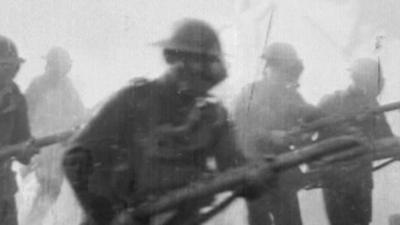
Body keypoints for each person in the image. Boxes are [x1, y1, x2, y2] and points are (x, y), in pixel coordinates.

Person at [62, 18, 246, 225]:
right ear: (175, 59)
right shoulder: (134, 101)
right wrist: (109, 215)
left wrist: (254, 180)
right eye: (198, 61)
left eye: (209, 63)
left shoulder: (213, 115)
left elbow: (235, 166)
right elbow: (75, 158)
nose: (204, 72)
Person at [234, 42, 321, 225]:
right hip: (255, 171)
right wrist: (270, 135)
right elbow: (239, 130)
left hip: (283, 174)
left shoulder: (290, 95)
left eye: (288, 72)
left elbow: (308, 118)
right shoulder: (249, 93)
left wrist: (304, 133)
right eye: (281, 70)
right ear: (268, 68)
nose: (284, 77)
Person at [318, 57, 393, 225]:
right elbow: (314, 142)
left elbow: (387, 138)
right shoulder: (331, 102)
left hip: (359, 180)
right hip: (338, 181)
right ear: (366, 79)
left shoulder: (373, 105)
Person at [23, 47, 86, 225]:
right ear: (51, 65)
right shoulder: (38, 84)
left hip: (60, 147)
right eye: (61, 65)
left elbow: (79, 113)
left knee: (53, 190)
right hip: (41, 145)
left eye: (67, 66)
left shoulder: (67, 85)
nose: (64, 70)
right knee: (46, 188)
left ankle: (32, 221)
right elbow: (24, 115)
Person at [0, 34, 37, 225]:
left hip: (4, 189)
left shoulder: (15, 96)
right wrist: (16, 149)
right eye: (6, 66)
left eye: (15, 66)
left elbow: (23, 142)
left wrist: (28, 150)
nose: (12, 72)